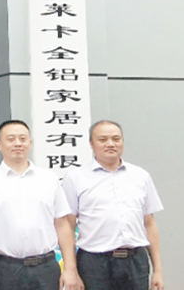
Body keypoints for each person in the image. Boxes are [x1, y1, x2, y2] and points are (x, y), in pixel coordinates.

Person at [0, 120, 82, 290]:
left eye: (22, 139)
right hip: (4, 269)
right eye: (11, 139)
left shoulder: (49, 179)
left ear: (30, 143)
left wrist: (70, 268)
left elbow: (62, 225)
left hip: (45, 267)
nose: (18, 143)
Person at [62, 120, 164, 290]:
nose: (110, 144)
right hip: (94, 263)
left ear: (122, 141)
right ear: (91, 144)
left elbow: (149, 223)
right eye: (103, 139)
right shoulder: (75, 177)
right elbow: (68, 226)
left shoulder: (140, 176)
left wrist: (158, 270)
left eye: (116, 139)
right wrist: (70, 269)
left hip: (135, 261)